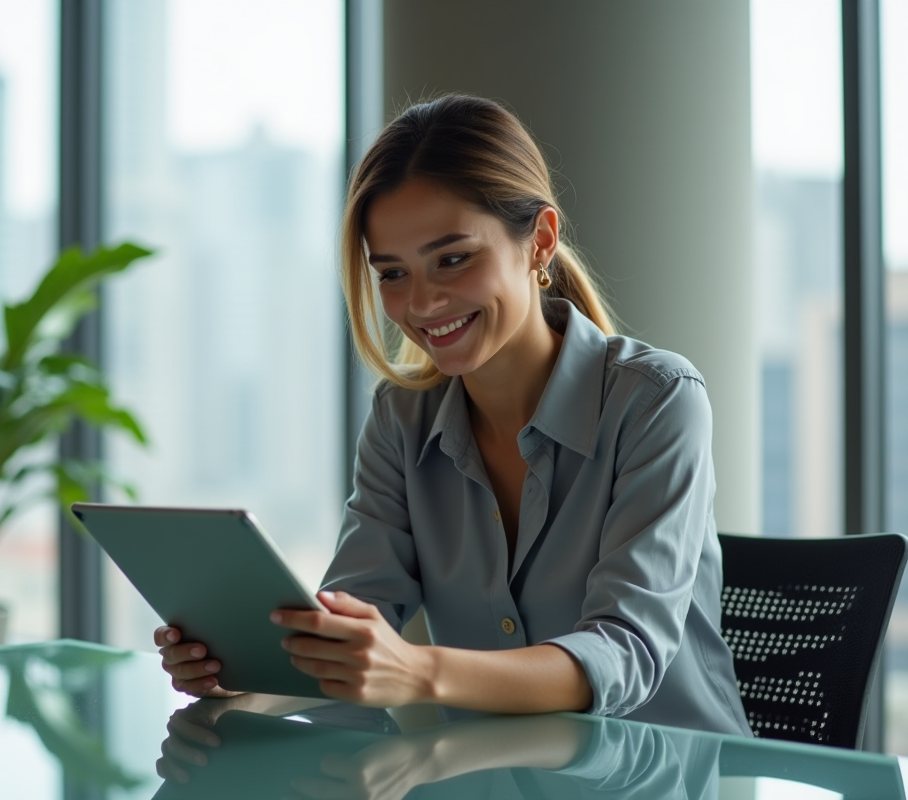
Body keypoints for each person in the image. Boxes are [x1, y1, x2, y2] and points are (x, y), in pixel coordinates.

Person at [155, 94, 751, 736]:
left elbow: (623, 652)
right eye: (392, 273)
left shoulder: (657, 400)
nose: (421, 303)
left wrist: (419, 671)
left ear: (540, 242)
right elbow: (360, 618)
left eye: (453, 259)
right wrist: (250, 674)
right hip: (486, 774)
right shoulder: (400, 420)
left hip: (669, 772)